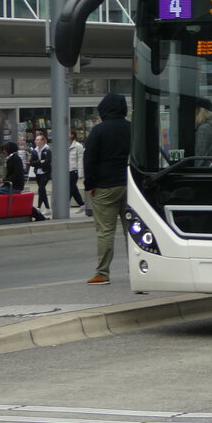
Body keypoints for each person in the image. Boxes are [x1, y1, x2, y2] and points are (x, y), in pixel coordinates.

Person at [84, 93, 130, 285]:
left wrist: (90, 185)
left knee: (105, 231)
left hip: (105, 186)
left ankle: (102, 273)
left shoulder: (99, 131)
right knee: (133, 231)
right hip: (130, 185)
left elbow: (90, 159)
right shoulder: (132, 128)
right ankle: (137, 268)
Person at [28, 131, 52, 211]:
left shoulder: (47, 150)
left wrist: (39, 163)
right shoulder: (34, 150)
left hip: (45, 172)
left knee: (41, 188)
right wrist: (40, 162)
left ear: (42, 141)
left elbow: (47, 161)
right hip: (38, 172)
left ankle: (43, 207)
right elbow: (31, 162)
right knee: (41, 189)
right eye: (36, 140)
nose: (36, 141)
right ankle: (43, 207)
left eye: (38, 140)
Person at [67, 129, 87, 209]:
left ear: (72, 135)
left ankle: (65, 202)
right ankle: (82, 204)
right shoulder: (65, 145)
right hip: (67, 170)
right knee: (73, 187)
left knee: (71, 187)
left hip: (74, 169)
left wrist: (80, 172)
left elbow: (80, 159)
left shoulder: (78, 146)